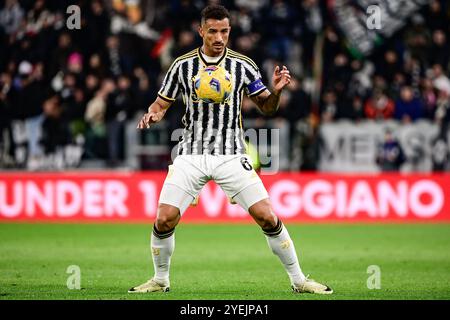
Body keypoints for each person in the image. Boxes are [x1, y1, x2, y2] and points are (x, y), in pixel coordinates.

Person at [129, 4, 332, 295]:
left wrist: (275, 91)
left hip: (232, 154)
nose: (219, 37)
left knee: (267, 217)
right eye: (212, 31)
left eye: (224, 31)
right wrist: (153, 114)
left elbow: (267, 107)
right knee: (164, 219)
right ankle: (160, 280)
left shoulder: (244, 65)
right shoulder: (182, 66)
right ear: (201, 31)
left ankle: (299, 280)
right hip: (191, 153)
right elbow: (161, 103)